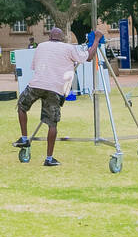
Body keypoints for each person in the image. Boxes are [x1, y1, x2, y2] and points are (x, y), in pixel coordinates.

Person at [13, 26, 103, 167]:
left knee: (21, 106)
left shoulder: (41, 46)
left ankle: (24, 137)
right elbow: (89, 57)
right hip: (55, 89)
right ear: (62, 38)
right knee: (52, 123)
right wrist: (97, 39)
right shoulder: (68, 48)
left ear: (49, 37)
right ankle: (49, 159)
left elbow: (36, 66)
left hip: (36, 84)